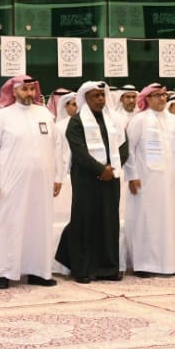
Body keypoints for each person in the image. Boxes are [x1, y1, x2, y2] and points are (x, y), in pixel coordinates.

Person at [0, 75, 61, 289]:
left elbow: (57, 147)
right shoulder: (2, 116)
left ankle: (39, 272)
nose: (29, 93)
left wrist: (57, 177)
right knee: (10, 225)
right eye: (24, 89)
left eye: (31, 89)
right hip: (11, 183)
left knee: (40, 225)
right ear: (14, 91)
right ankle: (4, 273)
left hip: (42, 183)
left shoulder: (45, 114)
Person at [55, 81, 127, 283]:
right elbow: (79, 152)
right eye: (95, 96)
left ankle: (108, 269)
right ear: (85, 98)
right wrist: (100, 170)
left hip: (111, 179)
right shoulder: (76, 122)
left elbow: (124, 147)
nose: (100, 99)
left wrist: (111, 168)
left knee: (109, 221)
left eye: (102, 95)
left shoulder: (113, 120)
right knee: (85, 221)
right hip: (86, 179)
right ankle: (82, 269)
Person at [123, 83, 175, 277]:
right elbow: (129, 150)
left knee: (169, 220)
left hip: (169, 181)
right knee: (146, 220)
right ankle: (144, 264)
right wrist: (132, 175)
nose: (162, 98)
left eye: (164, 95)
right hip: (145, 180)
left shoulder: (173, 120)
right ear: (147, 98)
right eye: (157, 95)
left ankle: (169, 264)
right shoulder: (139, 120)